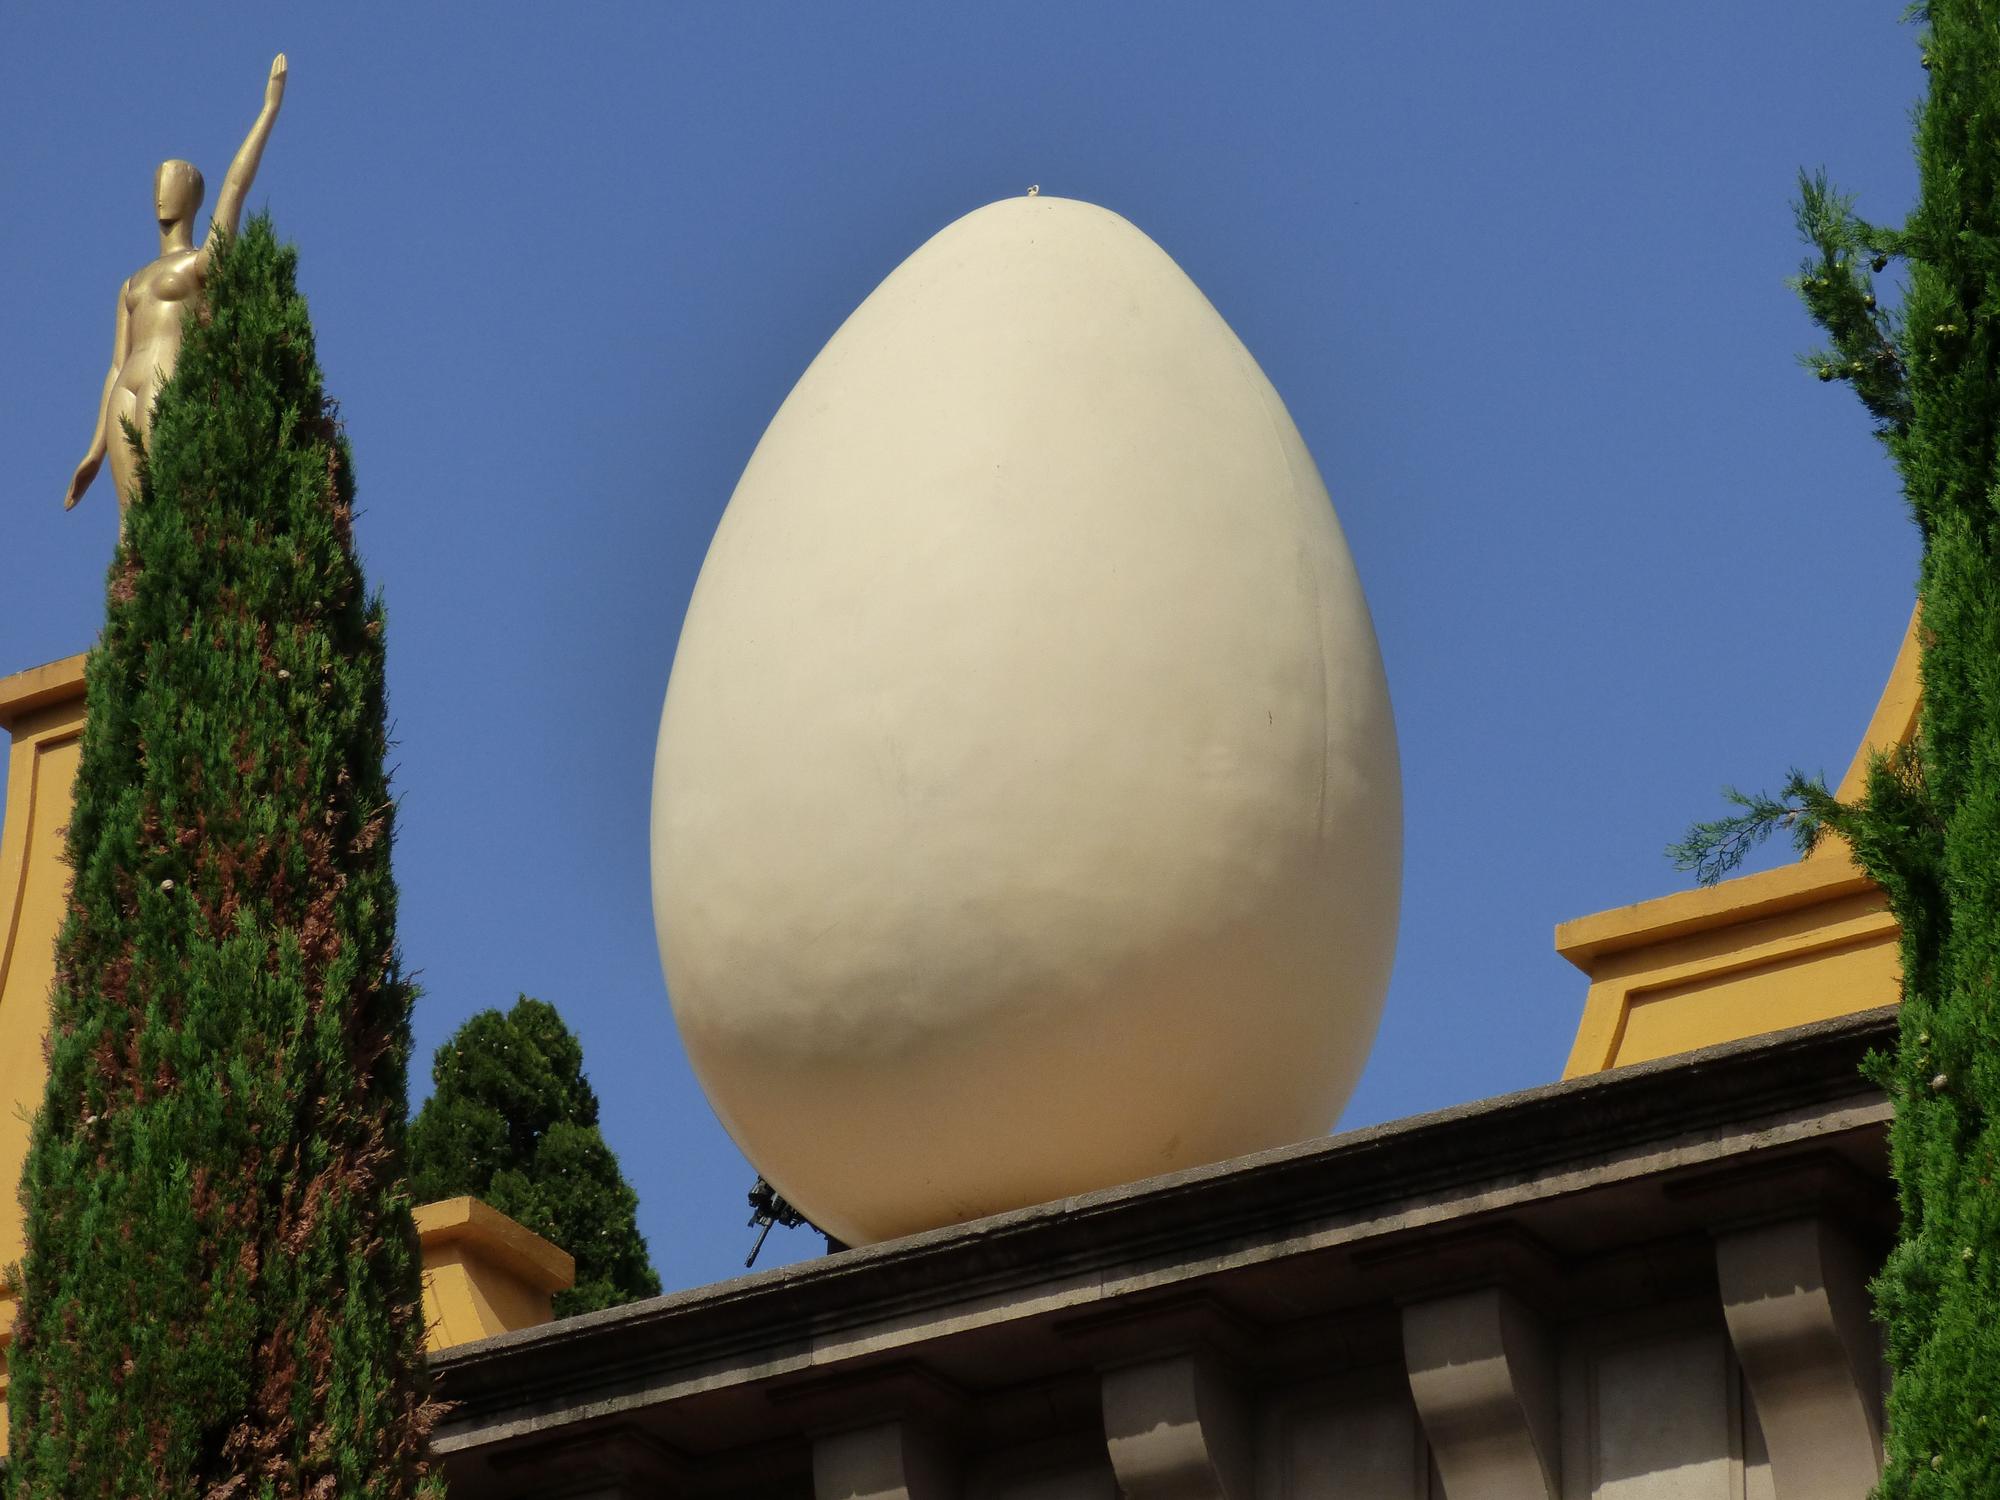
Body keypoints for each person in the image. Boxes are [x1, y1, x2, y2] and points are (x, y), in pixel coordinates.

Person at [64, 54, 287, 522]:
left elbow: (235, 188)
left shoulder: (202, 264)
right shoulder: (131, 281)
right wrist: (94, 449)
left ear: (192, 199)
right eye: (158, 184)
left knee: (162, 500)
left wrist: (268, 110)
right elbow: (113, 365)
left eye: (174, 184)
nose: (162, 192)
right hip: (126, 386)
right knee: (130, 525)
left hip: (168, 374)